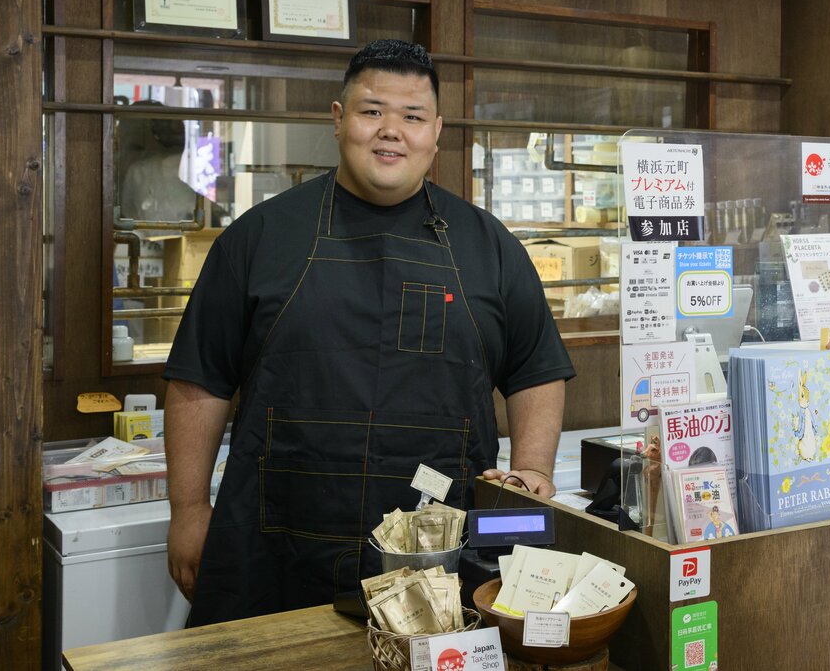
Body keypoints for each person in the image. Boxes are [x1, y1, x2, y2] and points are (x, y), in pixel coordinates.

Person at [163, 39, 575, 625]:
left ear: (436, 131)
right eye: (372, 111)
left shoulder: (490, 248)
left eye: (411, 117)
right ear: (339, 120)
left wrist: (533, 472)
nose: (391, 132)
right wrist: (187, 508)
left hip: (439, 549)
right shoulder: (260, 237)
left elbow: (537, 369)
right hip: (273, 544)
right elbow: (198, 379)